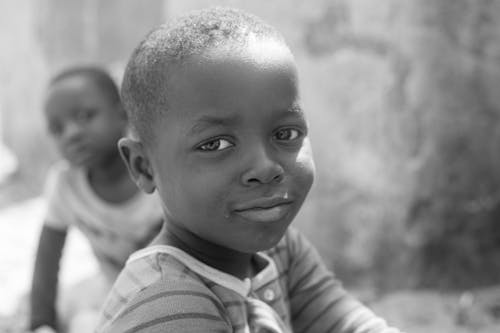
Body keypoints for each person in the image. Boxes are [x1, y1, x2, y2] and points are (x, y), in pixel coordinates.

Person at [96, 7, 402, 333]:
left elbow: (348, 324)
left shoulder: (280, 250)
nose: (265, 167)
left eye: (286, 134)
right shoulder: (168, 304)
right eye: (215, 145)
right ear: (143, 167)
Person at [29, 67, 163, 333]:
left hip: (180, 287)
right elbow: (47, 259)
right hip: (119, 292)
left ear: (122, 112)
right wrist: (41, 322)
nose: (71, 134)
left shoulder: (158, 168)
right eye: (57, 129)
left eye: (84, 116)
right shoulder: (65, 184)